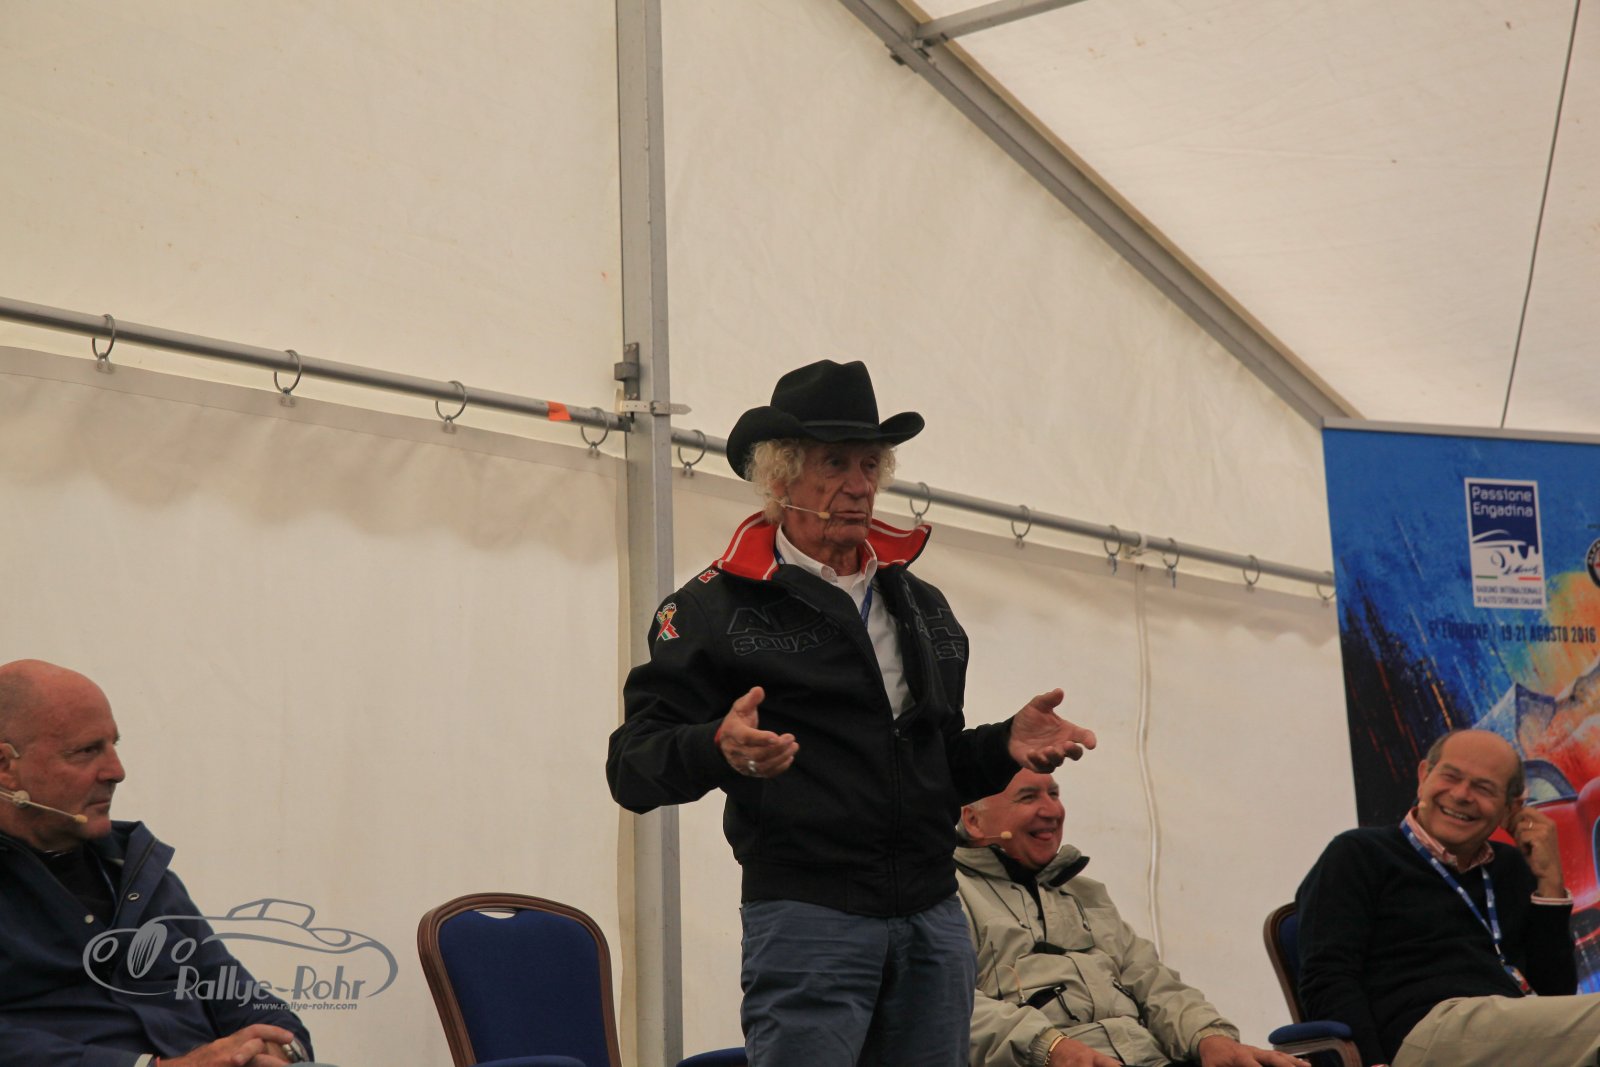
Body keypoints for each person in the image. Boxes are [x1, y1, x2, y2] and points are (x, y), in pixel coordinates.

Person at [606, 359, 1098, 1067]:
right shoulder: (712, 608)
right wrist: (717, 746)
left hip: (933, 918)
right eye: (834, 463)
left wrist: (1002, 746)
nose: (860, 484)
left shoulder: (921, 604)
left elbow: (931, 765)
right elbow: (631, 765)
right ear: (779, 478)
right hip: (809, 921)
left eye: (870, 464)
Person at [0, 659, 320, 1067]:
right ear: (6, 768)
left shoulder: (136, 871)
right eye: (86, 751)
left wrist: (274, 1050)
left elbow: (243, 996)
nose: (116, 771)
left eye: (114, 745)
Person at [958, 769, 1307, 1067]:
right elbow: (948, 1005)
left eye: (1054, 794)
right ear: (973, 821)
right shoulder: (948, 896)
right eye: (1028, 797)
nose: (1053, 810)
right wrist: (1050, 1047)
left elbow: (1154, 982)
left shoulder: (1084, 894)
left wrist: (1209, 1037)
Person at [1296, 728, 1600, 1067]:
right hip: (1422, 1034)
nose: (1461, 794)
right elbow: (1327, 976)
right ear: (1423, 777)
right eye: (1450, 777)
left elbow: (1555, 993)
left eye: (1483, 788)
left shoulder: (1509, 867)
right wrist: (1371, 1063)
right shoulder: (1358, 853)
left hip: (1507, 1030)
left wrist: (1549, 883)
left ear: (1511, 808)